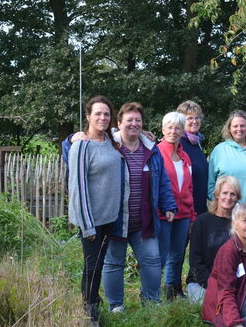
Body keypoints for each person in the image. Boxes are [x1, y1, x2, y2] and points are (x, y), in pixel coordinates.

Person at [102, 102, 177, 312]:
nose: (133, 124)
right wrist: (73, 137)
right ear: (119, 124)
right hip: (115, 220)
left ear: (143, 124)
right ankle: (116, 306)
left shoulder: (151, 150)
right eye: (129, 120)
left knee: (153, 260)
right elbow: (71, 147)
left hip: (144, 221)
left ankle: (151, 302)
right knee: (114, 263)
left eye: (138, 120)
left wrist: (169, 205)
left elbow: (162, 181)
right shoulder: (109, 147)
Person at [68, 96, 124, 323]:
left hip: (109, 217)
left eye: (107, 114)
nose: (103, 117)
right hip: (91, 220)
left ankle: (93, 301)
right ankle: (89, 311)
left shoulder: (110, 142)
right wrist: (87, 224)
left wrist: (147, 135)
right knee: (91, 267)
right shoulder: (81, 146)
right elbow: (77, 187)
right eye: (98, 114)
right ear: (88, 116)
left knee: (99, 264)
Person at [157, 111, 195, 301]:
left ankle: (171, 291)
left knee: (177, 255)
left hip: (184, 213)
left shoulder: (185, 156)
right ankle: (152, 293)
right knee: (161, 256)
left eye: (177, 127)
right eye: (170, 127)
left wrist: (192, 215)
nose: (173, 131)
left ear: (182, 131)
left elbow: (189, 187)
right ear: (163, 129)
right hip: (164, 213)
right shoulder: (156, 153)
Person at [187, 176, 242, 304]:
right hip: (200, 283)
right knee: (215, 306)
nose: (228, 198)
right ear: (217, 194)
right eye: (225, 193)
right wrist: (211, 285)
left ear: (237, 197)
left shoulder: (239, 223)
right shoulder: (202, 221)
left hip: (230, 282)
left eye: (233, 194)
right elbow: (195, 260)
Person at [208, 110, 246, 202]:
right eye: (235, 126)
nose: (239, 129)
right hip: (228, 210)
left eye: (242, 126)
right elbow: (210, 184)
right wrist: (218, 205)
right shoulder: (219, 150)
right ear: (229, 128)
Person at [177, 100, 209, 216]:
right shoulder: (179, 144)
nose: (194, 121)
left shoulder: (197, 142)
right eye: (190, 118)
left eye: (198, 118)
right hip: (186, 209)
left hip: (200, 205)